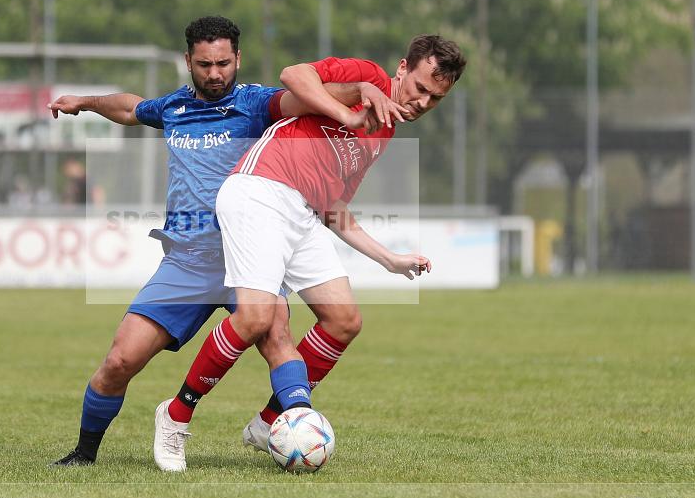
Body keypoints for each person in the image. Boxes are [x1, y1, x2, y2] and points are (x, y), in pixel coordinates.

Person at [47, 16, 397, 467]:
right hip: (188, 262)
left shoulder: (255, 103)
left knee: (280, 342)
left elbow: (305, 97)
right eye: (206, 64)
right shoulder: (174, 107)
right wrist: (86, 102)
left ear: (238, 60)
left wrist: (360, 92)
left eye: (224, 63)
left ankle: (295, 425)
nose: (216, 74)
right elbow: (131, 108)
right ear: (188, 61)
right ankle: (83, 454)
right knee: (119, 360)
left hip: (249, 255)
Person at [153, 35, 467, 472]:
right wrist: (347, 110)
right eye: (419, 87)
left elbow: (333, 208)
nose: (423, 101)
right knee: (255, 318)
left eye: (436, 98)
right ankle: (176, 414)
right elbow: (292, 75)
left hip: (300, 211)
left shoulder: (386, 131)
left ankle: (268, 423)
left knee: (344, 321)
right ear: (401, 69)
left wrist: (389, 259)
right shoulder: (369, 77)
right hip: (260, 190)